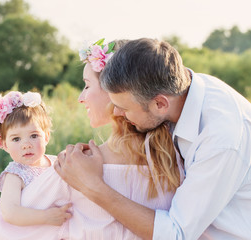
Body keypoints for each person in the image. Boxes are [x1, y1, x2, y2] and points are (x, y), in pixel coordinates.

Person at [0, 39, 184, 240]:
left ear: (113, 90)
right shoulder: (177, 158)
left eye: (87, 85)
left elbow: (7, 228)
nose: (80, 97)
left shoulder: (74, 166)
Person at [55, 38, 251, 239]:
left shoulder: (222, 140)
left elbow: (175, 234)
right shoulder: (177, 85)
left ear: (160, 104)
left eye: (125, 108)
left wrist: (93, 187)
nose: (117, 112)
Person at [0, 91, 72, 239]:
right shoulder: (16, 175)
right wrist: (46, 217)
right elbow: (10, 212)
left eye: (34, 136)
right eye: (16, 139)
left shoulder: (55, 162)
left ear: (46, 136)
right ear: (5, 144)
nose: (26, 145)